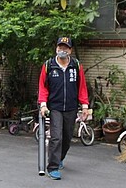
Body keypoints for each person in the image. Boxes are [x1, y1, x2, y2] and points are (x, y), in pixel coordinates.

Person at [37, 37, 89, 180]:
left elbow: (82, 87)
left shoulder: (76, 66)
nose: (62, 50)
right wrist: (43, 104)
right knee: (56, 137)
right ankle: (52, 167)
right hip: (55, 108)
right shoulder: (49, 65)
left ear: (70, 51)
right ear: (56, 49)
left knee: (67, 138)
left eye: (65, 48)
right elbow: (43, 87)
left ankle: (59, 158)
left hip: (71, 108)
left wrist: (85, 105)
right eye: (60, 47)